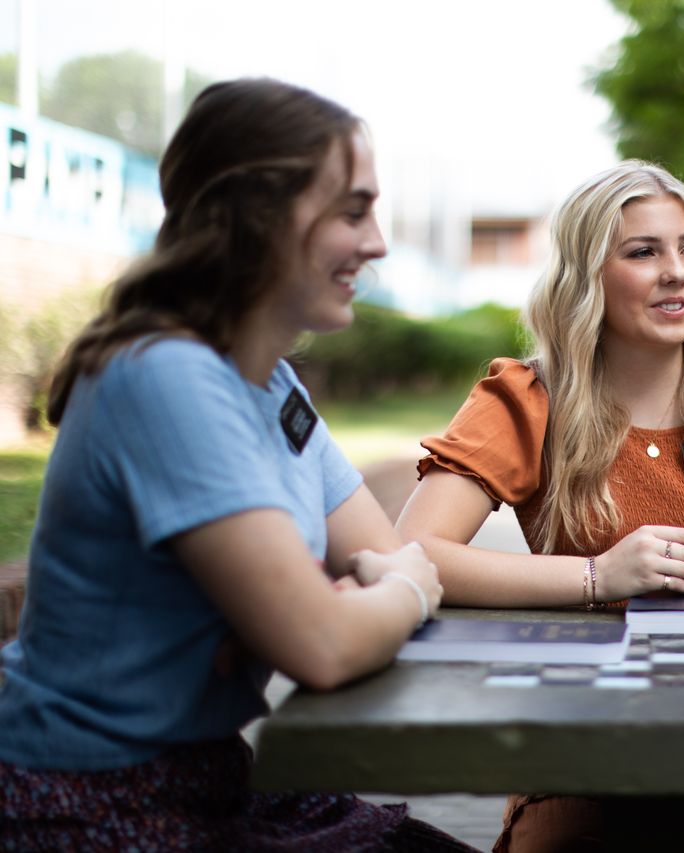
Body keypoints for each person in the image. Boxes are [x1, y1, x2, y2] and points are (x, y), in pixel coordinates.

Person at [0, 78, 476, 852]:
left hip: (213, 777)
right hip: (91, 800)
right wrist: (397, 595)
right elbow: (329, 640)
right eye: (352, 211)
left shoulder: (272, 385)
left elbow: (381, 556)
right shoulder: (164, 376)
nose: (378, 243)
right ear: (259, 216)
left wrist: (356, 599)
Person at [396, 160, 684, 851]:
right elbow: (413, 552)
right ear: (586, 277)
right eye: (643, 252)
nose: (677, 272)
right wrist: (598, 576)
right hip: (582, 743)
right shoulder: (527, 399)